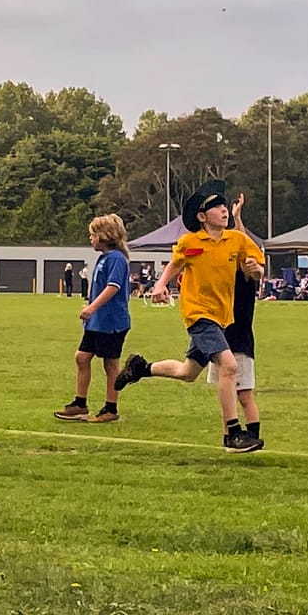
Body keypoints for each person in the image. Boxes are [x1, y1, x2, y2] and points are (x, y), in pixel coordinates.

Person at [114, 183, 264, 452]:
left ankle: (141, 368)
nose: (223, 210)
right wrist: (160, 285)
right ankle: (232, 433)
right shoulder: (190, 242)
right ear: (202, 216)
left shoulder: (237, 240)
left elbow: (256, 269)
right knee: (229, 366)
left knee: (188, 372)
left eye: (224, 206)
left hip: (222, 318)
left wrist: (256, 269)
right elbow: (175, 264)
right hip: (198, 315)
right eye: (216, 207)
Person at [56, 213, 131, 424]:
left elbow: (113, 287)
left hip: (112, 322)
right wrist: (90, 307)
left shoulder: (117, 259)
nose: (90, 238)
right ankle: (80, 405)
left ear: (105, 236)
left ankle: (111, 408)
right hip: (97, 322)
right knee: (82, 357)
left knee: (110, 365)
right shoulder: (103, 258)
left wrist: (92, 307)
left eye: (93, 234)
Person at [224, 195, 264, 452]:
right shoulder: (226, 273)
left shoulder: (247, 277)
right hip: (223, 339)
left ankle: (254, 436)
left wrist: (237, 218)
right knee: (225, 393)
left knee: (244, 394)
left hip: (239, 341)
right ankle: (228, 437)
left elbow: (245, 245)